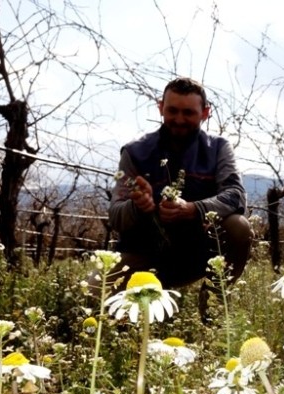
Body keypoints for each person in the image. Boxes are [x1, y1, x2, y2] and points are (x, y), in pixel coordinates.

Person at [100, 77, 251, 309]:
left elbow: (235, 195)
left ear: (205, 113)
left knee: (239, 226)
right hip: (145, 254)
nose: (179, 120)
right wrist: (138, 206)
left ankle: (212, 302)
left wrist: (193, 209)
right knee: (94, 296)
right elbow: (115, 216)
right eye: (172, 111)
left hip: (201, 254)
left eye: (188, 113)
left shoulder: (219, 148)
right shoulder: (134, 153)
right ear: (161, 108)